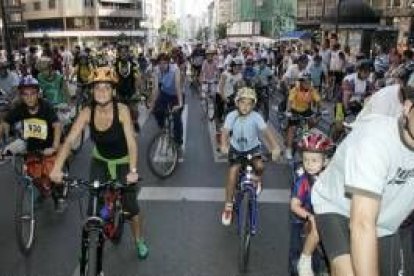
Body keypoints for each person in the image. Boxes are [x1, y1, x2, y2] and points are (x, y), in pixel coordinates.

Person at [311, 68, 414, 275]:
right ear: (408, 106)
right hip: (339, 208)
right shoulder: (375, 140)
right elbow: (362, 224)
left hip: (387, 220)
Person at [49, 67, 149, 259]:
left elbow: (131, 142)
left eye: (106, 87)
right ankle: (105, 209)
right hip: (100, 160)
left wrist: (133, 171)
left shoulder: (122, 110)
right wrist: (56, 168)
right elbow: (69, 140)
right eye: (97, 88)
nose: (101, 92)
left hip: (123, 161)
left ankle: (139, 240)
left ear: (113, 91)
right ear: (92, 91)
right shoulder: (87, 112)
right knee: (93, 206)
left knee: (131, 207)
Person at [0, 76, 64, 210]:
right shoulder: (20, 108)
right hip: (32, 146)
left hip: (49, 146)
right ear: (21, 96)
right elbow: (6, 122)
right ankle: (42, 191)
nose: (29, 97)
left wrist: (55, 146)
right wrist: (3, 132)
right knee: (33, 174)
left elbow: (57, 125)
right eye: (25, 94)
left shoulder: (46, 107)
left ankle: (59, 197)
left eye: (32, 93)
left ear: (38, 93)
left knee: (53, 173)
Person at [220, 87, 281, 226]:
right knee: (232, 172)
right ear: (237, 103)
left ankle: (257, 180)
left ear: (253, 105)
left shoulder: (256, 117)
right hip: (236, 149)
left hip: (252, 149)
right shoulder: (231, 116)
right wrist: (224, 145)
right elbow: (225, 132)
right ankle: (228, 206)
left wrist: (275, 147)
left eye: (249, 103)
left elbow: (267, 132)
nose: (245, 106)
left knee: (260, 166)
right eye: (242, 102)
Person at [290, 132, 333, 276]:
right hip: (302, 220)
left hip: (325, 220)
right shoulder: (302, 182)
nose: (309, 164)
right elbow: (294, 205)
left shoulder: (329, 179)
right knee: (297, 257)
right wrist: (309, 217)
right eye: (306, 160)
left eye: (314, 160)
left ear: (325, 161)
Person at [150, 53, 184, 158]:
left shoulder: (175, 70)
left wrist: (180, 103)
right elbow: (155, 89)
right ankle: (162, 126)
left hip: (175, 95)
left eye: (165, 63)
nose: (162, 66)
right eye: (160, 63)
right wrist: (152, 104)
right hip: (164, 94)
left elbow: (178, 87)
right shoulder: (156, 70)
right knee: (156, 110)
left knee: (177, 118)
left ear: (168, 63)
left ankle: (178, 143)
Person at [285, 72, 322, 160]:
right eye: (304, 81)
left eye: (308, 81)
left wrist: (320, 111)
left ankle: (305, 131)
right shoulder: (295, 89)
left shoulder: (312, 90)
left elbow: (318, 101)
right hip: (295, 110)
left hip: (306, 110)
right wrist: (288, 111)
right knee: (292, 128)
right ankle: (289, 149)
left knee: (314, 121)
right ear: (301, 82)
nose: (307, 83)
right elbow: (290, 101)